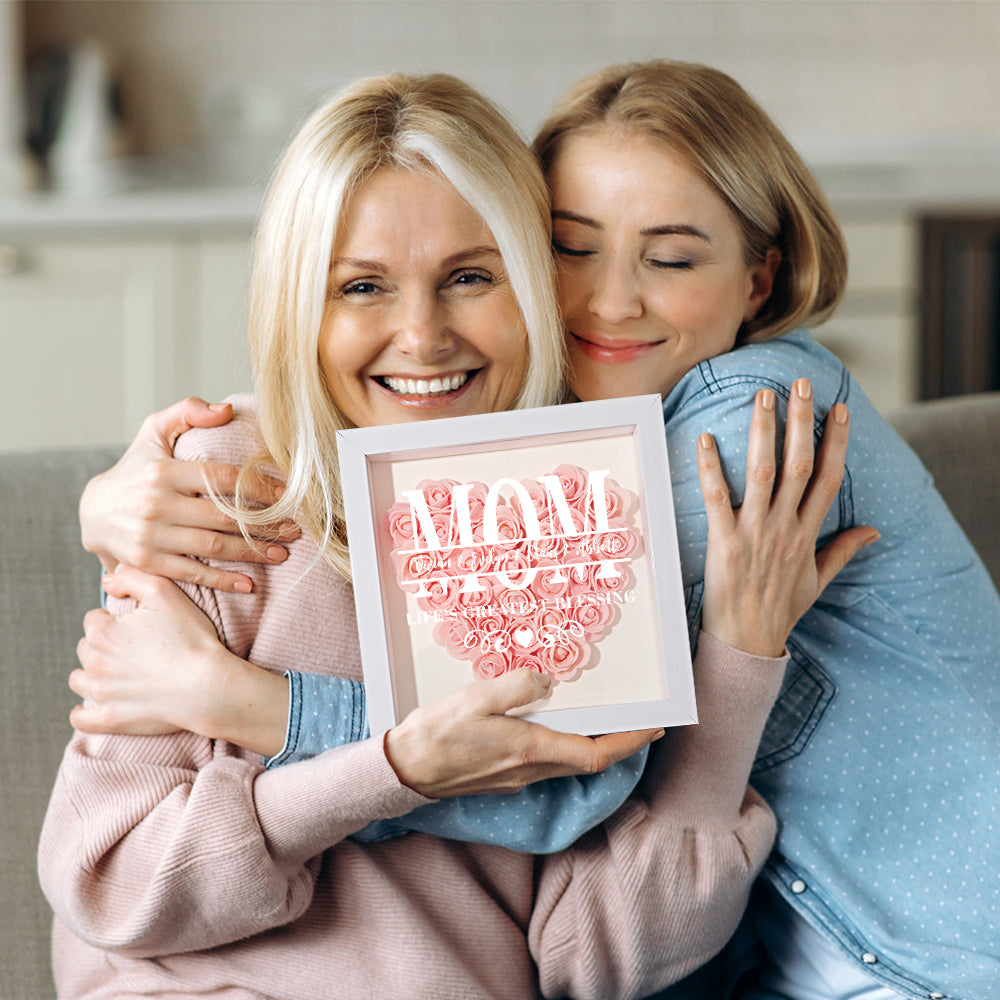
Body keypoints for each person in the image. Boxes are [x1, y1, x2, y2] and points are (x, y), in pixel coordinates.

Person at [79, 61, 1000, 1000]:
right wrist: (107, 499)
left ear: (759, 277)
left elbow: (569, 769)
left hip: (927, 954)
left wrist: (257, 710)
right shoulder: (218, 490)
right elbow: (111, 881)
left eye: (471, 276)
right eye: (572, 250)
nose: (610, 302)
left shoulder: (705, 439)